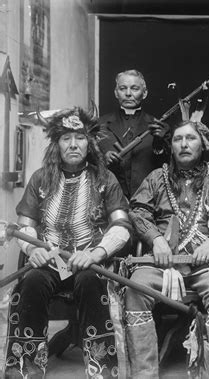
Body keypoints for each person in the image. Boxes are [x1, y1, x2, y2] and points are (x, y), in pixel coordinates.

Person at [3, 107, 132, 378]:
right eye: (65, 138)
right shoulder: (40, 178)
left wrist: (96, 253)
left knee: (89, 281)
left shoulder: (105, 179)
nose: (73, 144)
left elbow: (121, 227)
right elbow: (26, 224)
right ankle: (24, 369)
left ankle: (102, 370)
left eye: (80, 138)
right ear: (56, 144)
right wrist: (33, 248)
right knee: (32, 282)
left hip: (90, 263)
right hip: (49, 260)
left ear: (90, 143)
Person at [124, 111, 209, 378]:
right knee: (135, 289)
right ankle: (145, 374)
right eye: (178, 139)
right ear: (171, 145)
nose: (184, 144)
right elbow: (138, 211)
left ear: (203, 145)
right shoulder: (158, 177)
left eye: (191, 138)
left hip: (207, 263)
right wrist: (156, 240)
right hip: (162, 262)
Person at [98, 69, 169, 199]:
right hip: (109, 199)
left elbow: (167, 168)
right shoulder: (99, 125)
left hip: (148, 200)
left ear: (145, 93)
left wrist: (159, 143)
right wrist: (103, 157)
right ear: (116, 93)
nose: (128, 94)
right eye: (123, 88)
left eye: (134, 88)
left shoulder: (159, 127)